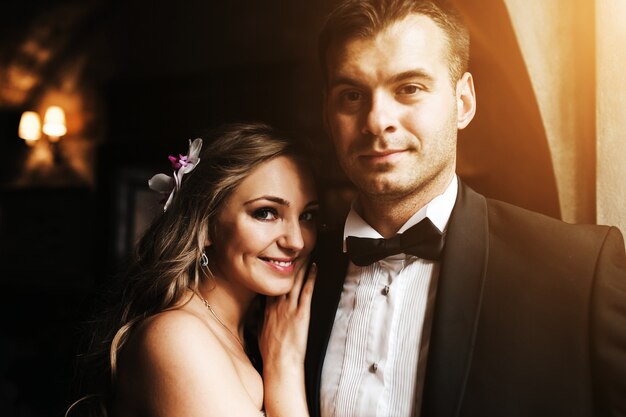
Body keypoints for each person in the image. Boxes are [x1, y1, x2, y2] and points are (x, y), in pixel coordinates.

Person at [306, 1, 626, 416]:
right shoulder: (286, 277)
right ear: (327, 115)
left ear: (463, 102)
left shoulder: (582, 272)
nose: (376, 120)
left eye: (409, 88)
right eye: (352, 95)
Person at [70, 122, 317, 417]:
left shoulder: (246, 333)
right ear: (206, 224)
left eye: (307, 215)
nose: (297, 241)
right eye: (266, 213)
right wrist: (284, 368)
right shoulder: (176, 337)